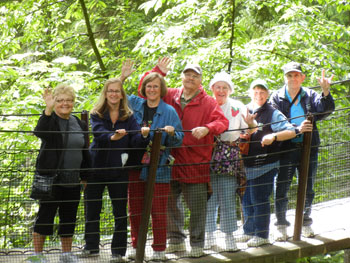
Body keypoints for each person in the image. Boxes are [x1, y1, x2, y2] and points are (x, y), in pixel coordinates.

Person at [138, 58, 229, 257]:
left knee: (197, 206)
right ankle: (176, 240)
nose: (190, 78)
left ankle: (197, 244)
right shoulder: (169, 94)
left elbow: (223, 122)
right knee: (170, 204)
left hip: (195, 161)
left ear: (200, 80)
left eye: (194, 76)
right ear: (181, 77)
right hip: (168, 160)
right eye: (187, 74)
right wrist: (158, 71)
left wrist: (207, 128)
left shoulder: (208, 102)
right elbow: (144, 91)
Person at [80, 78, 150, 263]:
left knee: (120, 211)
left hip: (118, 169)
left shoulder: (129, 116)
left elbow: (135, 141)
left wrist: (143, 136)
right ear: (105, 93)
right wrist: (112, 136)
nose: (113, 94)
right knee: (92, 208)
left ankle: (118, 252)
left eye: (117, 91)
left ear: (121, 94)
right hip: (95, 168)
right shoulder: (97, 113)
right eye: (110, 90)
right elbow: (98, 133)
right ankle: (91, 246)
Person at [120, 61, 184, 261]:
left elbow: (179, 138)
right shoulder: (135, 104)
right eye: (149, 86)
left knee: (158, 209)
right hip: (135, 165)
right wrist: (123, 76)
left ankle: (158, 249)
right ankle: (136, 246)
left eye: (156, 86)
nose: (152, 89)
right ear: (144, 89)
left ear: (161, 89)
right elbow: (115, 94)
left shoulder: (169, 112)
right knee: (136, 209)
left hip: (159, 166)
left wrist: (172, 133)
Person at [240, 79, 313, 247]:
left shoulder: (273, 113)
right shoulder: (244, 110)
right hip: (246, 164)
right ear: (250, 93)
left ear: (268, 94)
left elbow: (290, 130)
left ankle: (262, 235)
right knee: (247, 199)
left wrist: (273, 136)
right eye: (256, 92)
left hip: (266, 163)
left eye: (262, 92)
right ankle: (249, 231)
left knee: (260, 199)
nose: (259, 95)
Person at [270, 62, 335, 241]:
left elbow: (326, 110)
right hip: (285, 149)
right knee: (281, 187)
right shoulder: (276, 97)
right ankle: (281, 225)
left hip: (309, 148)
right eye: (289, 75)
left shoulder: (310, 94)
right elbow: (274, 122)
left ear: (302, 77)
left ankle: (305, 222)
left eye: (296, 75)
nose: (293, 79)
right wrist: (296, 128)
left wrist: (326, 91)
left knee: (308, 186)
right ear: (285, 78)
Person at [29, 84, 91, 263]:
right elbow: (39, 131)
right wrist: (47, 109)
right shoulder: (51, 120)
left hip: (73, 179)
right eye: (60, 100)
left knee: (69, 216)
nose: (65, 103)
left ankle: (66, 254)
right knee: (46, 216)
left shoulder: (79, 123)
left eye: (69, 100)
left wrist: (86, 176)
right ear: (54, 101)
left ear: (73, 102)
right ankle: (37, 256)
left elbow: (84, 150)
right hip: (51, 179)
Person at [204, 72, 257, 252]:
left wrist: (251, 124)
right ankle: (208, 236)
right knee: (207, 197)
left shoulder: (237, 106)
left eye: (225, 87)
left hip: (230, 154)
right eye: (218, 87)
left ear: (230, 90)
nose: (221, 90)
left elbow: (251, 130)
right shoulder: (205, 104)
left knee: (227, 196)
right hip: (206, 155)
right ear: (212, 88)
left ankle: (229, 237)